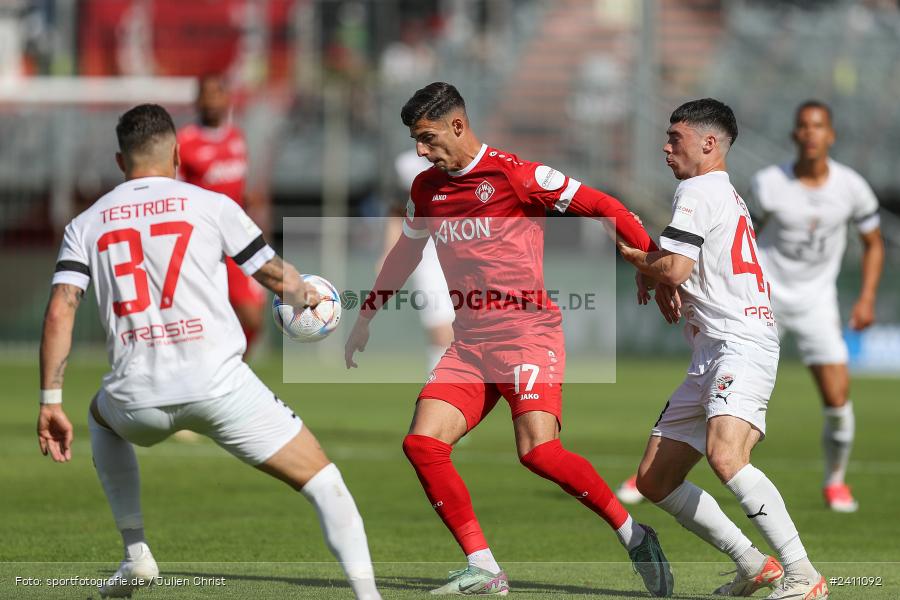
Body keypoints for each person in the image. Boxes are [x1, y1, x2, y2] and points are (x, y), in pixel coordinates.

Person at [37, 104, 381, 600]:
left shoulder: (85, 223)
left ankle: (136, 555)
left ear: (120, 161)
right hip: (221, 387)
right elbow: (273, 277)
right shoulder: (209, 204)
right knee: (326, 482)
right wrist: (309, 297)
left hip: (138, 400)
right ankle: (369, 597)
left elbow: (59, 311)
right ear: (178, 153)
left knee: (97, 416)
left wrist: (50, 400)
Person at [345, 82, 673, 597]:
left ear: (458, 125)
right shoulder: (427, 188)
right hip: (470, 344)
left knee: (539, 453)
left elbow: (603, 203)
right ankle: (483, 566)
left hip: (526, 334)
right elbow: (406, 254)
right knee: (422, 444)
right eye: (415, 141)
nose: (421, 152)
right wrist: (367, 315)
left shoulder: (516, 174)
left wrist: (651, 261)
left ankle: (634, 535)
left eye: (428, 139)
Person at [618, 99, 828, 599]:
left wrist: (634, 254)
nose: (666, 147)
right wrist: (658, 269)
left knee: (726, 455)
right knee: (654, 478)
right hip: (713, 350)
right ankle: (754, 564)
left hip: (741, 344)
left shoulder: (695, 189)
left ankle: (804, 576)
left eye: (676, 138)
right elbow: (678, 266)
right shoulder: (721, 192)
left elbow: (673, 268)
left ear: (708, 144)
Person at [749, 100, 884, 513]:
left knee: (837, 399)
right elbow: (741, 237)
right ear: (794, 135)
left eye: (819, 126)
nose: (811, 133)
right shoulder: (768, 183)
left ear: (831, 135)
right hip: (765, 299)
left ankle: (835, 482)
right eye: (803, 126)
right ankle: (657, 475)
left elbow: (873, 243)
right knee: (723, 387)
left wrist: (865, 298)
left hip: (817, 302)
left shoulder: (851, 187)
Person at [178, 74, 266, 357]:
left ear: (227, 98)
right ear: (197, 100)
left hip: (237, 241)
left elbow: (241, 188)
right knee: (201, 323)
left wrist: (248, 200)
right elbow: (175, 194)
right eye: (207, 94)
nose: (213, 100)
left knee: (253, 318)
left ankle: (235, 370)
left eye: (218, 93)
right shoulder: (184, 142)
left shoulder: (237, 138)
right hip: (201, 246)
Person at [379, 148, 454, 372]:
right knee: (441, 328)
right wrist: (388, 254)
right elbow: (397, 211)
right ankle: (440, 387)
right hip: (428, 254)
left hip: (467, 250)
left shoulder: (468, 158)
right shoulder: (408, 165)